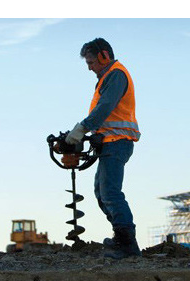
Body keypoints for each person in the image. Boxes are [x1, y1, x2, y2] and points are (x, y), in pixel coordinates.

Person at [63, 37, 141, 259]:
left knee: (110, 192)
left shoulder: (116, 74)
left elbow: (106, 106)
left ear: (104, 56)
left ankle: (128, 246)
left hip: (118, 141)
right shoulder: (107, 77)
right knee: (101, 192)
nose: (89, 67)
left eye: (90, 62)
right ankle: (121, 237)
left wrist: (82, 129)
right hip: (109, 141)